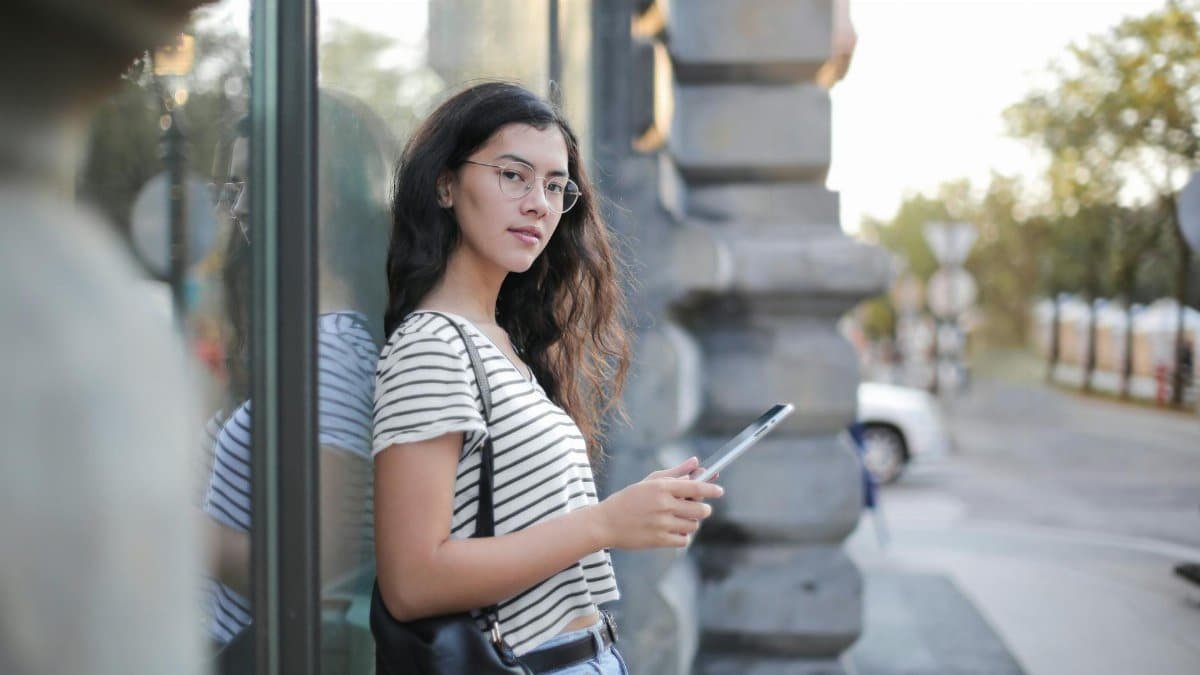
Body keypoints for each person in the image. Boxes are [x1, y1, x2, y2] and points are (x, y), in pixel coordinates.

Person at [372, 81, 724, 674]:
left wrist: (635, 512)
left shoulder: (503, 342)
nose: (538, 203)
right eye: (513, 175)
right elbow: (413, 580)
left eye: (556, 186)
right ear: (446, 183)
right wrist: (607, 522)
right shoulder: (432, 345)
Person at [200, 90, 394, 662]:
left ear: (323, 189)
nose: (237, 207)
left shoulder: (329, 354)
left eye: (251, 180)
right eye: (232, 187)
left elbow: (314, 569)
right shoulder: (319, 342)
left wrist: (169, 523)